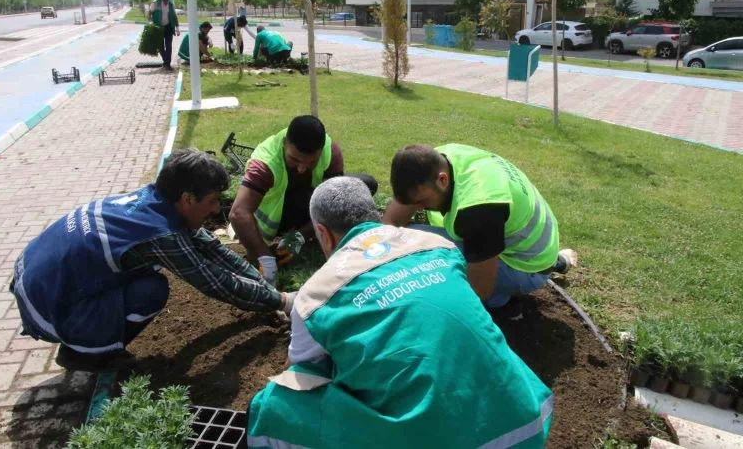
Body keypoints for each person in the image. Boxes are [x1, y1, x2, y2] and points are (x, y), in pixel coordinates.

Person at [247, 177, 553, 449]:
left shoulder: (317, 296)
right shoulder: (438, 246)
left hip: (438, 439)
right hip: (524, 420)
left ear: (323, 234)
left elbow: (299, 374)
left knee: (275, 403)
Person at [9, 149, 296, 373]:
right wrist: (281, 300)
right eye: (211, 201)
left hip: (32, 277)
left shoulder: (155, 200)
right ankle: (87, 353)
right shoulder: (160, 234)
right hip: (44, 307)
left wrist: (260, 282)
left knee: (143, 270)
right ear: (187, 198)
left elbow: (213, 249)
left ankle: (87, 338)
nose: (215, 209)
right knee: (152, 290)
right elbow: (215, 282)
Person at [383, 144, 577, 319]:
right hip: (533, 248)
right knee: (405, 239)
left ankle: (502, 302)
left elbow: (479, 289)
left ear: (442, 180)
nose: (417, 209)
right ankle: (556, 264)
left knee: (418, 248)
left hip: (525, 268)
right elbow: (388, 225)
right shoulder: (439, 161)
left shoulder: (479, 208)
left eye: (421, 202)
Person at [230, 116, 377, 286]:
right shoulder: (264, 164)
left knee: (364, 185)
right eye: (295, 159)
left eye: (312, 162)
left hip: (306, 204)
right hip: (279, 218)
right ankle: (298, 232)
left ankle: (307, 232)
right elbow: (238, 213)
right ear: (285, 143)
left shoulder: (330, 152)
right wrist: (264, 256)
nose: (301, 168)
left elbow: (334, 202)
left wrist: (300, 236)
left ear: (320, 151)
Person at [148, 0, 180, 70]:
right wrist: (150, 22)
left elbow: (174, 16)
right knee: (160, 46)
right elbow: (149, 13)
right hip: (159, 28)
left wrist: (177, 28)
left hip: (169, 27)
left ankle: (167, 64)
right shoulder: (156, 3)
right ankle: (166, 61)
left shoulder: (171, 3)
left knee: (169, 46)